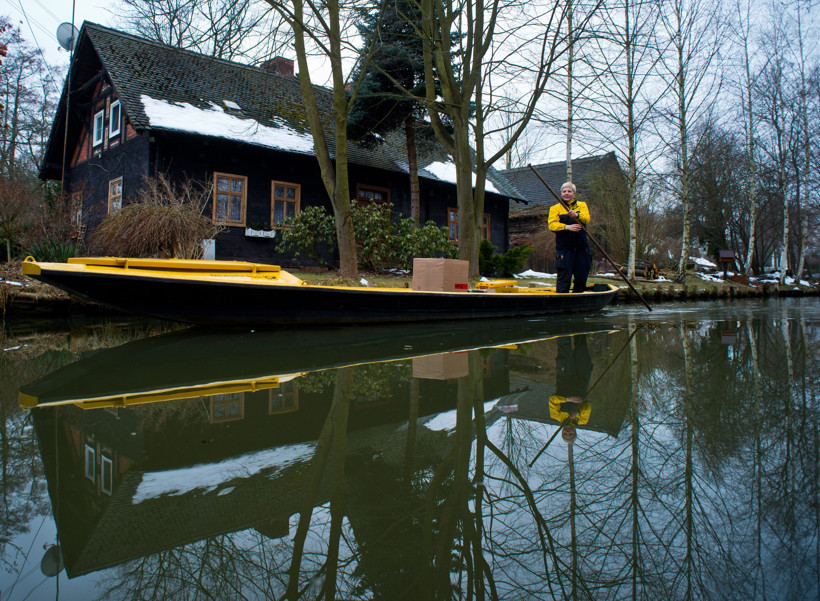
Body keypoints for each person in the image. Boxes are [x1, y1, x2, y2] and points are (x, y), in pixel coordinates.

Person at [549, 334, 593, 444]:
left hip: (565, 374)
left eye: (565, 434)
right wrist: (578, 412)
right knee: (581, 345)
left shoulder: (556, 415)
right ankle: (579, 322)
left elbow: (552, 400)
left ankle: (561, 322)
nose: (568, 432)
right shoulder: (582, 420)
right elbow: (587, 407)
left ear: (562, 431)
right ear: (575, 432)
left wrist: (568, 399)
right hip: (582, 376)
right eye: (570, 434)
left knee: (564, 344)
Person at [548, 182, 591, 293]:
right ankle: (562, 299)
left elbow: (587, 219)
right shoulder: (555, 208)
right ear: (561, 193)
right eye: (564, 191)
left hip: (581, 247)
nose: (566, 193)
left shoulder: (581, 205)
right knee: (564, 275)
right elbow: (552, 225)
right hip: (565, 248)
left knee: (581, 274)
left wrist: (577, 215)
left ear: (574, 193)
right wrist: (567, 227)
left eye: (569, 191)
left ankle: (578, 298)